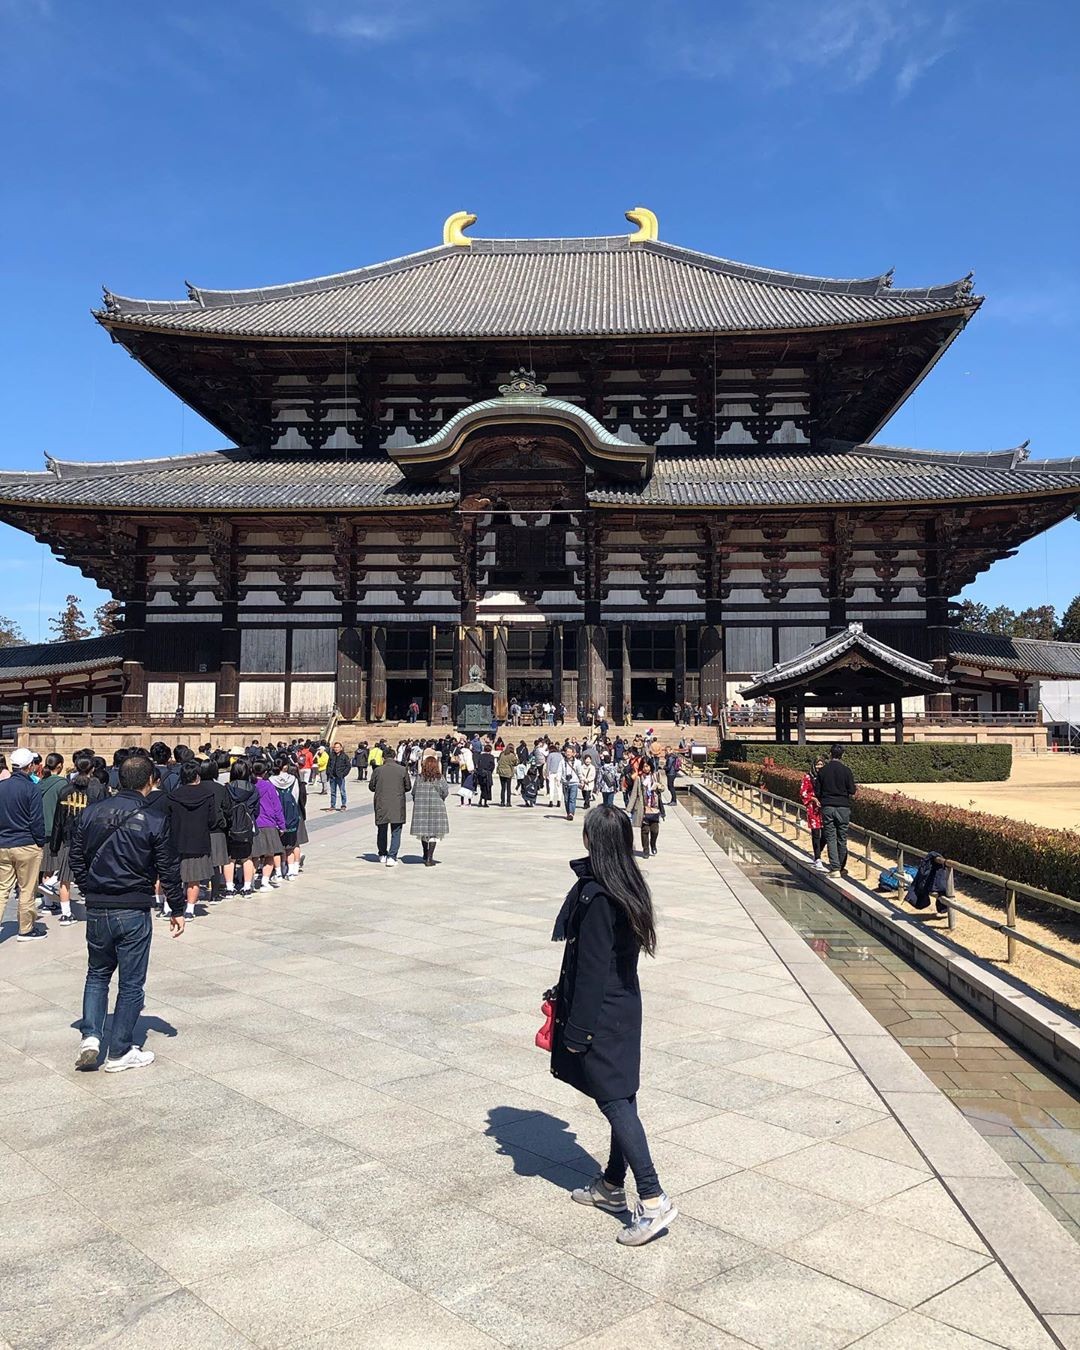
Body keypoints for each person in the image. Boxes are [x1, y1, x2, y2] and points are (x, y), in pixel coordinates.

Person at [550, 804, 675, 1246]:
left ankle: (654, 1197)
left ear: (593, 842)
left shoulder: (600, 897)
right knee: (623, 1096)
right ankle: (610, 1185)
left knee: (615, 1101)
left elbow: (592, 971)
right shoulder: (626, 883)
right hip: (624, 1006)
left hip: (602, 1012)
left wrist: (577, 1030)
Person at [72, 753, 185, 1072]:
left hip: (97, 905)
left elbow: (76, 858)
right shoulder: (154, 818)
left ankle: (91, 1037)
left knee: (97, 973)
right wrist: (176, 907)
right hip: (133, 906)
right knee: (131, 982)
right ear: (152, 781)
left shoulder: (91, 813)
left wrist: (90, 887)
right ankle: (119, 1050)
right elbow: (168, 868)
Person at [165, 760, 227, 918]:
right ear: (197, 776)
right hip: (199, 840)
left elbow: (167, 819)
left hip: (176, 840)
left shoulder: (173, 796)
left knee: (175, 877)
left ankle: (170, 907)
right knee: (194, 877)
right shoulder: (207, 795)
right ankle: (190, 910)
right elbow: (212, 820)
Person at [0, 747, 48, 942]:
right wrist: (40, 841)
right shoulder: (32, 789)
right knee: (27, 888)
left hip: (3, 843)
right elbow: (36, 820)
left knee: (2, 889)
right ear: (31, 766)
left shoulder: (1, 786)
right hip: (26, 843)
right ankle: (26, 929)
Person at [817, 743, 857, 876]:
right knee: (842, 837)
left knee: (831, 837)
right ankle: (840, 866)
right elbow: (852, 790)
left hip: (828, 806)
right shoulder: (847, 771)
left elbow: (817, 791)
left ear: (830, 754)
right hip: (843, 807)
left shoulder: (823, 771)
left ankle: (834, 868)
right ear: (842, 755)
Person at [225, 759, 258, 896]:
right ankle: (247, 887)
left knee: (230, 858)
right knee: (247, 857)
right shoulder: (253, 789)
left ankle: (229, 887)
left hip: (230, 825)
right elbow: (256, 810)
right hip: (246, 825)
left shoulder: (227, 788)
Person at [251, 760, 286, 888]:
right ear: (265, 772)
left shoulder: (250, 785)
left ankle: (250, 881)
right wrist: (282, 825)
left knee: (254, 856)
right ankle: (265, 881)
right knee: (269, 854)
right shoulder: (269, 786)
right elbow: (277, 807)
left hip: (253, 823)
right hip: (268, 823)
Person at [370, 751, 409, 866]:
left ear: (383, 758)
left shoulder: (378, 770)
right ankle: (392, 856)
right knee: (396, 831)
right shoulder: (402, 769)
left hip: (381, 803)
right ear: (395, 757)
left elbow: (371, 787)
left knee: (382, 830)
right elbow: (408, 787)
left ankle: (382, 854)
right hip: (397, 803)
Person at [411, 752, 450, 866]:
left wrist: (418, 800)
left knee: (423, 832)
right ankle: (429, 858)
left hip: (421, 807)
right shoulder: (439, 778)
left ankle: (425, 852)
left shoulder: (419, 778)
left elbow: (414, 792)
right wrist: (440, 799)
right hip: (436, 807)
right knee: (433, 833)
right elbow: (445, 792)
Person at [628, 762, 666, 857]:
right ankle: (645, 850)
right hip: (643, 807)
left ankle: (653, 844)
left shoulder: (656, 776)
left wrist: (658, 786)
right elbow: (634, 793)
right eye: (644, 766)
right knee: (645, 830)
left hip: (654, 807)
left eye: (648, 766)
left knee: (655, 830)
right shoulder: (639, 779)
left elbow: (663, 788)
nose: (646, 768)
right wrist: (629, 808)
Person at [799, 757, 828, 872]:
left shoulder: (826, 777)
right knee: (816, 833)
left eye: (821, 764)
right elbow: (803, 793)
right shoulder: (808, 777)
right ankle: (817, 858)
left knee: (826, 834)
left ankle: (817, 852)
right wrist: (813, 799)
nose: (819, 767)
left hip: (824, 808)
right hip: (813, 808)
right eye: (817, 764)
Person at [327, 740, 350, 812]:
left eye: (337, 747)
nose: (336, 749)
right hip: (332, 776)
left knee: (342, 791)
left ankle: (343, 805)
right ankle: (332, 805)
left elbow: (348, 766)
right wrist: (329, 773)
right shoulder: (331, 756)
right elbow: (328, 765)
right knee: (333, 792)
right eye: (335, 747)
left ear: (341, 748)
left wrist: (343, 774)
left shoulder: (344, 756)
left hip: (340, 776)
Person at [560, 746, 582, 821]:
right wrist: (558, 779)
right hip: (565, 783)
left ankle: (571, 813)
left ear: (573, 753)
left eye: (570, 752)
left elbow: (579, 772)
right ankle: (568, 812)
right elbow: (559, 771)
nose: (568, 753)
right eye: (567, 752)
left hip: (574, 783)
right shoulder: (562, 762)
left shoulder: (577, 762)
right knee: (566, 799)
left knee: (572, 799)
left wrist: (581, 780)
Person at [496, 742, 518, 807]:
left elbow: (498, 760)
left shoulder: (502, 753)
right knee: (508, 788)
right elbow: (516, 763)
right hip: (508, 772)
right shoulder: (512, 755)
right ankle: (508, 802)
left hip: (501, 772)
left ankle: (502, 802)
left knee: (503, 788)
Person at [475, 742, 495, 808]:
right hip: (487, 774)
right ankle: (485, 802)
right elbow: (492, 766)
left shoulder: (480, 756)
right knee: (487, 788)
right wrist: (490, 772)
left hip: (481, 773)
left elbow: (478, 765)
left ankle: (480, 800)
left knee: (482, 788)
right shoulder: (491, 757)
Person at [545, 742, 565, 809]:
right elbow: (563, 764)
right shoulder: (560, 755)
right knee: (559, 787)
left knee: (551, 787)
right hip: (559, 773)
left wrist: (547, 773)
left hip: (552, 772)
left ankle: (551, 801)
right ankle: (559, 800)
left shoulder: (550, 755)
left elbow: (548, 765)